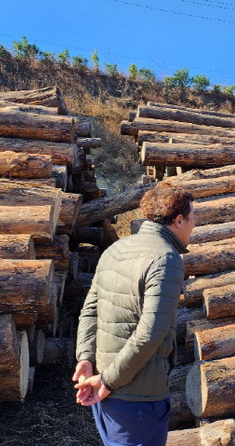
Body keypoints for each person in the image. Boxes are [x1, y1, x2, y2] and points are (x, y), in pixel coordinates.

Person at [72, 185, 195, 446]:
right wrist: (108, 380)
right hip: (136, 399)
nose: (194, 226)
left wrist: (85, 357)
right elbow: (150, 333)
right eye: (193, 218)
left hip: (107, 390)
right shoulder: (167, 258)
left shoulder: (116, 249)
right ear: (179, 219)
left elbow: (89, 310)